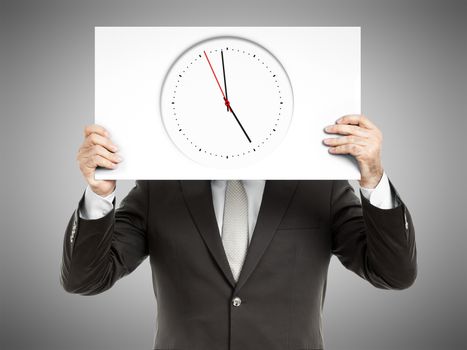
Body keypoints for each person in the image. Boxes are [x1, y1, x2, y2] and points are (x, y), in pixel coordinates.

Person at [60, 114, 417, 350]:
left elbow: (392, 273)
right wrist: (99, 192)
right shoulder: (161, 188)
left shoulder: (318, 187)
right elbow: (85, 279)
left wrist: (373, 178)